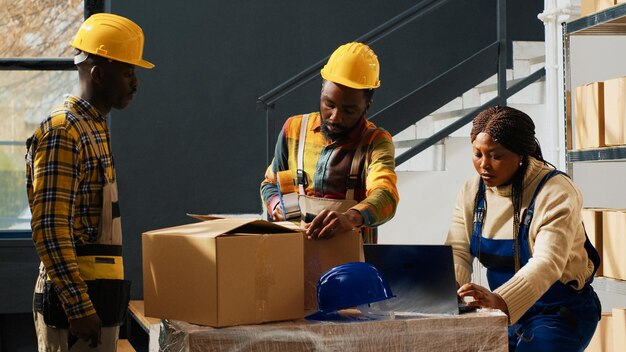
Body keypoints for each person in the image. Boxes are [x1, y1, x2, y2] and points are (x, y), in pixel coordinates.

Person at [26, 13, 154, 351]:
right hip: (74, 315)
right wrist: (79, 307)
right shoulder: (63, 132)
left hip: (98, 303)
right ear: (98, 73)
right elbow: (51, 229)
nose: (135, 82)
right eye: (128, 72)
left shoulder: (94, 128)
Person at [445, 106, 601, 351]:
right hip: (501, 313)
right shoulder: (472, 191)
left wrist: (501, 299)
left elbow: (546, 263)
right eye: (477, 154)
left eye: (496, 156)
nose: (484, 165)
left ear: (520, 154)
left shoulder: (556, 191)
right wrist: (451, 290)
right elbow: (458, 250)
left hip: (558, 312)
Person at [260, 42, 399, 243]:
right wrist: (275, 205)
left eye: (348, 110)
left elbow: (386, 196)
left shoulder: (375, 142)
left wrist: (351, 217)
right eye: (329, 104)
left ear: (366, 107)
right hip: (296, 254)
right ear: (322, 92)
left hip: (352, 265)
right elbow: (271, 184)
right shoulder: (294, 129)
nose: (335, 117)